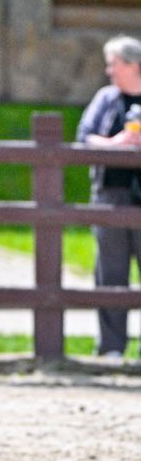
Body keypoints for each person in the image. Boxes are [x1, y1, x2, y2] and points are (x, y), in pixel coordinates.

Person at [77, 34, 141, 358]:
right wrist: (115, 144)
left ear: (133, 66)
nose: (109, 70)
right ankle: (111, 349)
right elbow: (84, 137)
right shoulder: (106, 99)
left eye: (113, 63)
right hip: (111, 194)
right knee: (111, 273)